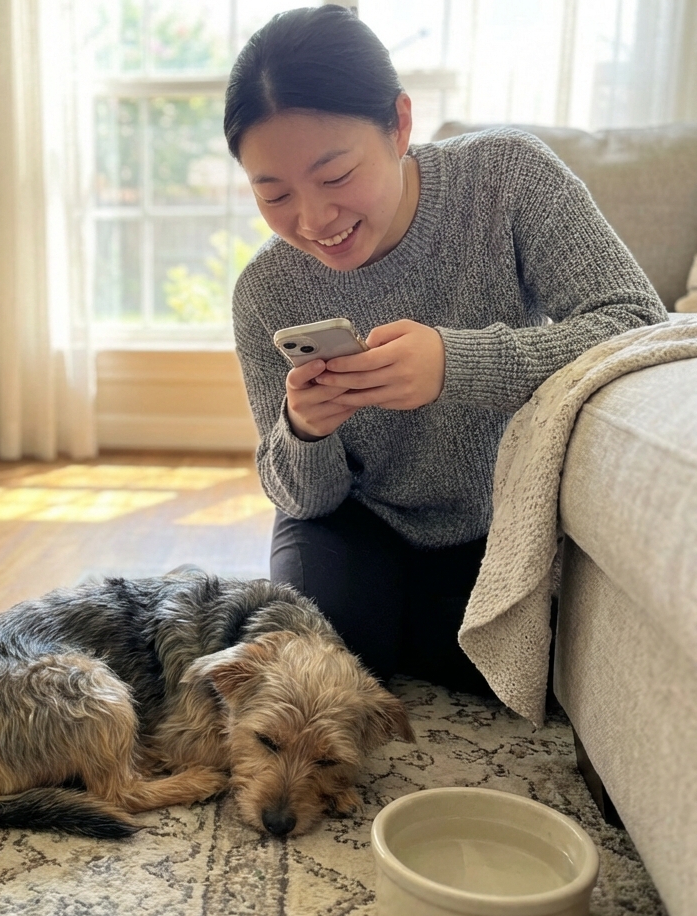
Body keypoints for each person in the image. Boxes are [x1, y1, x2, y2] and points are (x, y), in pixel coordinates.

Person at [224, 5, 666, 693]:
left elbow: (639, 323)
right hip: (358, 520)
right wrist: (306, 428)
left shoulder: (507, 180)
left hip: (501, 517)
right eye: (273, 192)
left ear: (399, 124)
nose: (312, 221)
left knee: (525, 669)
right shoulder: (265, 290)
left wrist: (456, 364)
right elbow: (301, 498)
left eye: (336, 176)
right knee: (322, 671)